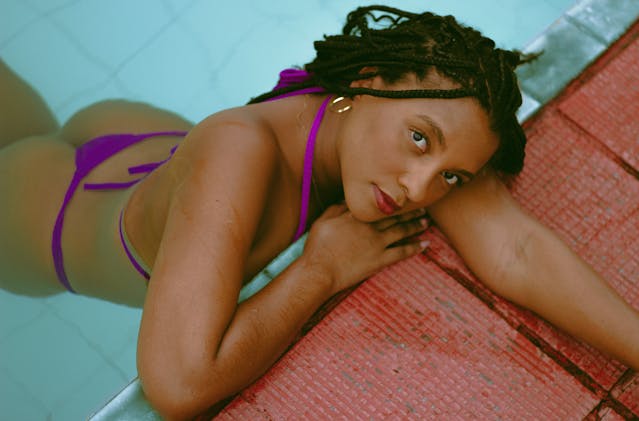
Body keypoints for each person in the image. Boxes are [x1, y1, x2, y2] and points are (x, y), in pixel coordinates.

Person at [0, 5, 637, 420]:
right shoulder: (243, 150)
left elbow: (516, 249)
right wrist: (319, 271)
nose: (419, 188)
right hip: (39, 217)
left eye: (452, 177)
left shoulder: (400, 122)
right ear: (368, 80)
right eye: (420, 140)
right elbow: (177, 384)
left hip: (141, 146)